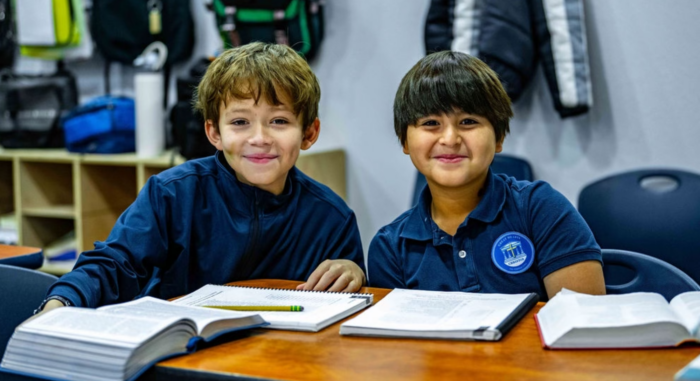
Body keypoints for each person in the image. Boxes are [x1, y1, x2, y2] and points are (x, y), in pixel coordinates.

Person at [34, 42, 366, 315]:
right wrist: (60, 303)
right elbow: (113, 264)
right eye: (240, 122)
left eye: (279, 121)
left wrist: (355, 275)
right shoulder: (172, 194)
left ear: (309, 133)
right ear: (214, 132)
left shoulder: (332, 219)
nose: (260, 138)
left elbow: (349, 309)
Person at [368, 51, 605, 300]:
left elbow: (585, 327)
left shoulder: (541, 208)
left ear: (499, 138)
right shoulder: (390, 247)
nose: (450, 139)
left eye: (468, 121)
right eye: (430, 123)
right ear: (405, 141)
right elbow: (395, 337)